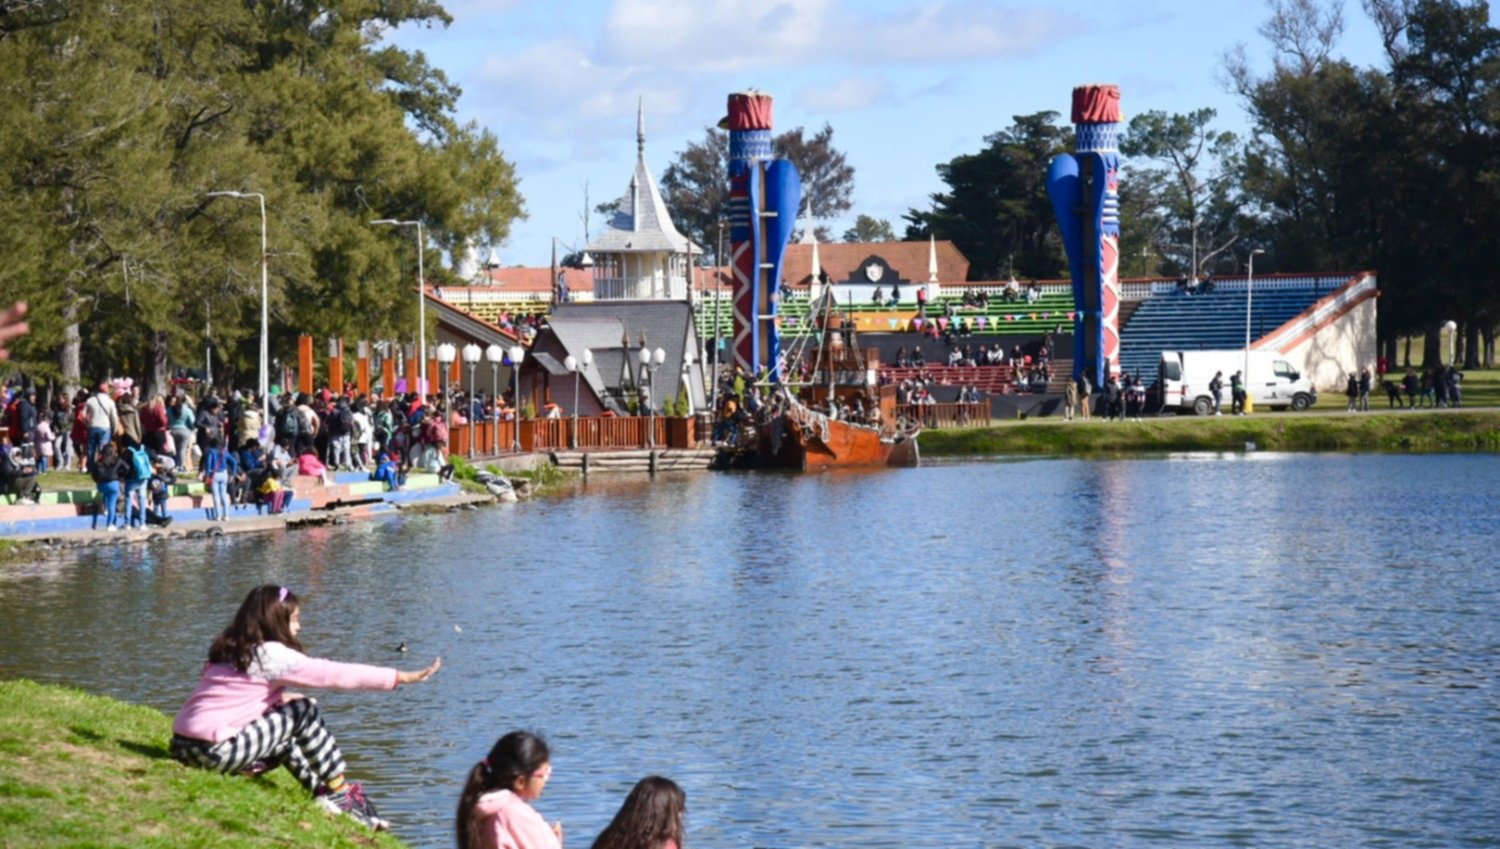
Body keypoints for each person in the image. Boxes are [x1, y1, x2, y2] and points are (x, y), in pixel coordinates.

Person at [170, 585, 440, 830]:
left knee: (287, 730)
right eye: (295, 620)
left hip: (183, 747)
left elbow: (233, 700)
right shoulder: (271, 654)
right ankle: (340, 793)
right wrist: (399, 677)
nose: (298, 628)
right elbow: (333, 673)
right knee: (303, 712)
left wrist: (279, 701)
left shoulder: (230, 650)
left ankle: (324, 795)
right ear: (276, 622)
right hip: (213, 752)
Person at [456, 730, 562, 849]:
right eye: (544, 773)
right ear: (520, 781)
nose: (547, 779)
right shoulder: (515, 815)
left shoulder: (485, 810)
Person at [590, 776, 685, 849]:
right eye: (679, 810)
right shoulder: (665, 845)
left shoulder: (608, 838)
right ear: (667, 815)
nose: (681, 815)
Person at [90, 442, 127, 530]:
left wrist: (98, 481)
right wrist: (121, 476)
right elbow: (127, 467)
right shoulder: (117, 460)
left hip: (101, 485)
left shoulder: (99, 461)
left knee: (107, 497)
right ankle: (110, 524)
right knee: (112, 504)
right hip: (113, 484)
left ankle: (105, 509)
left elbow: (93, 474)